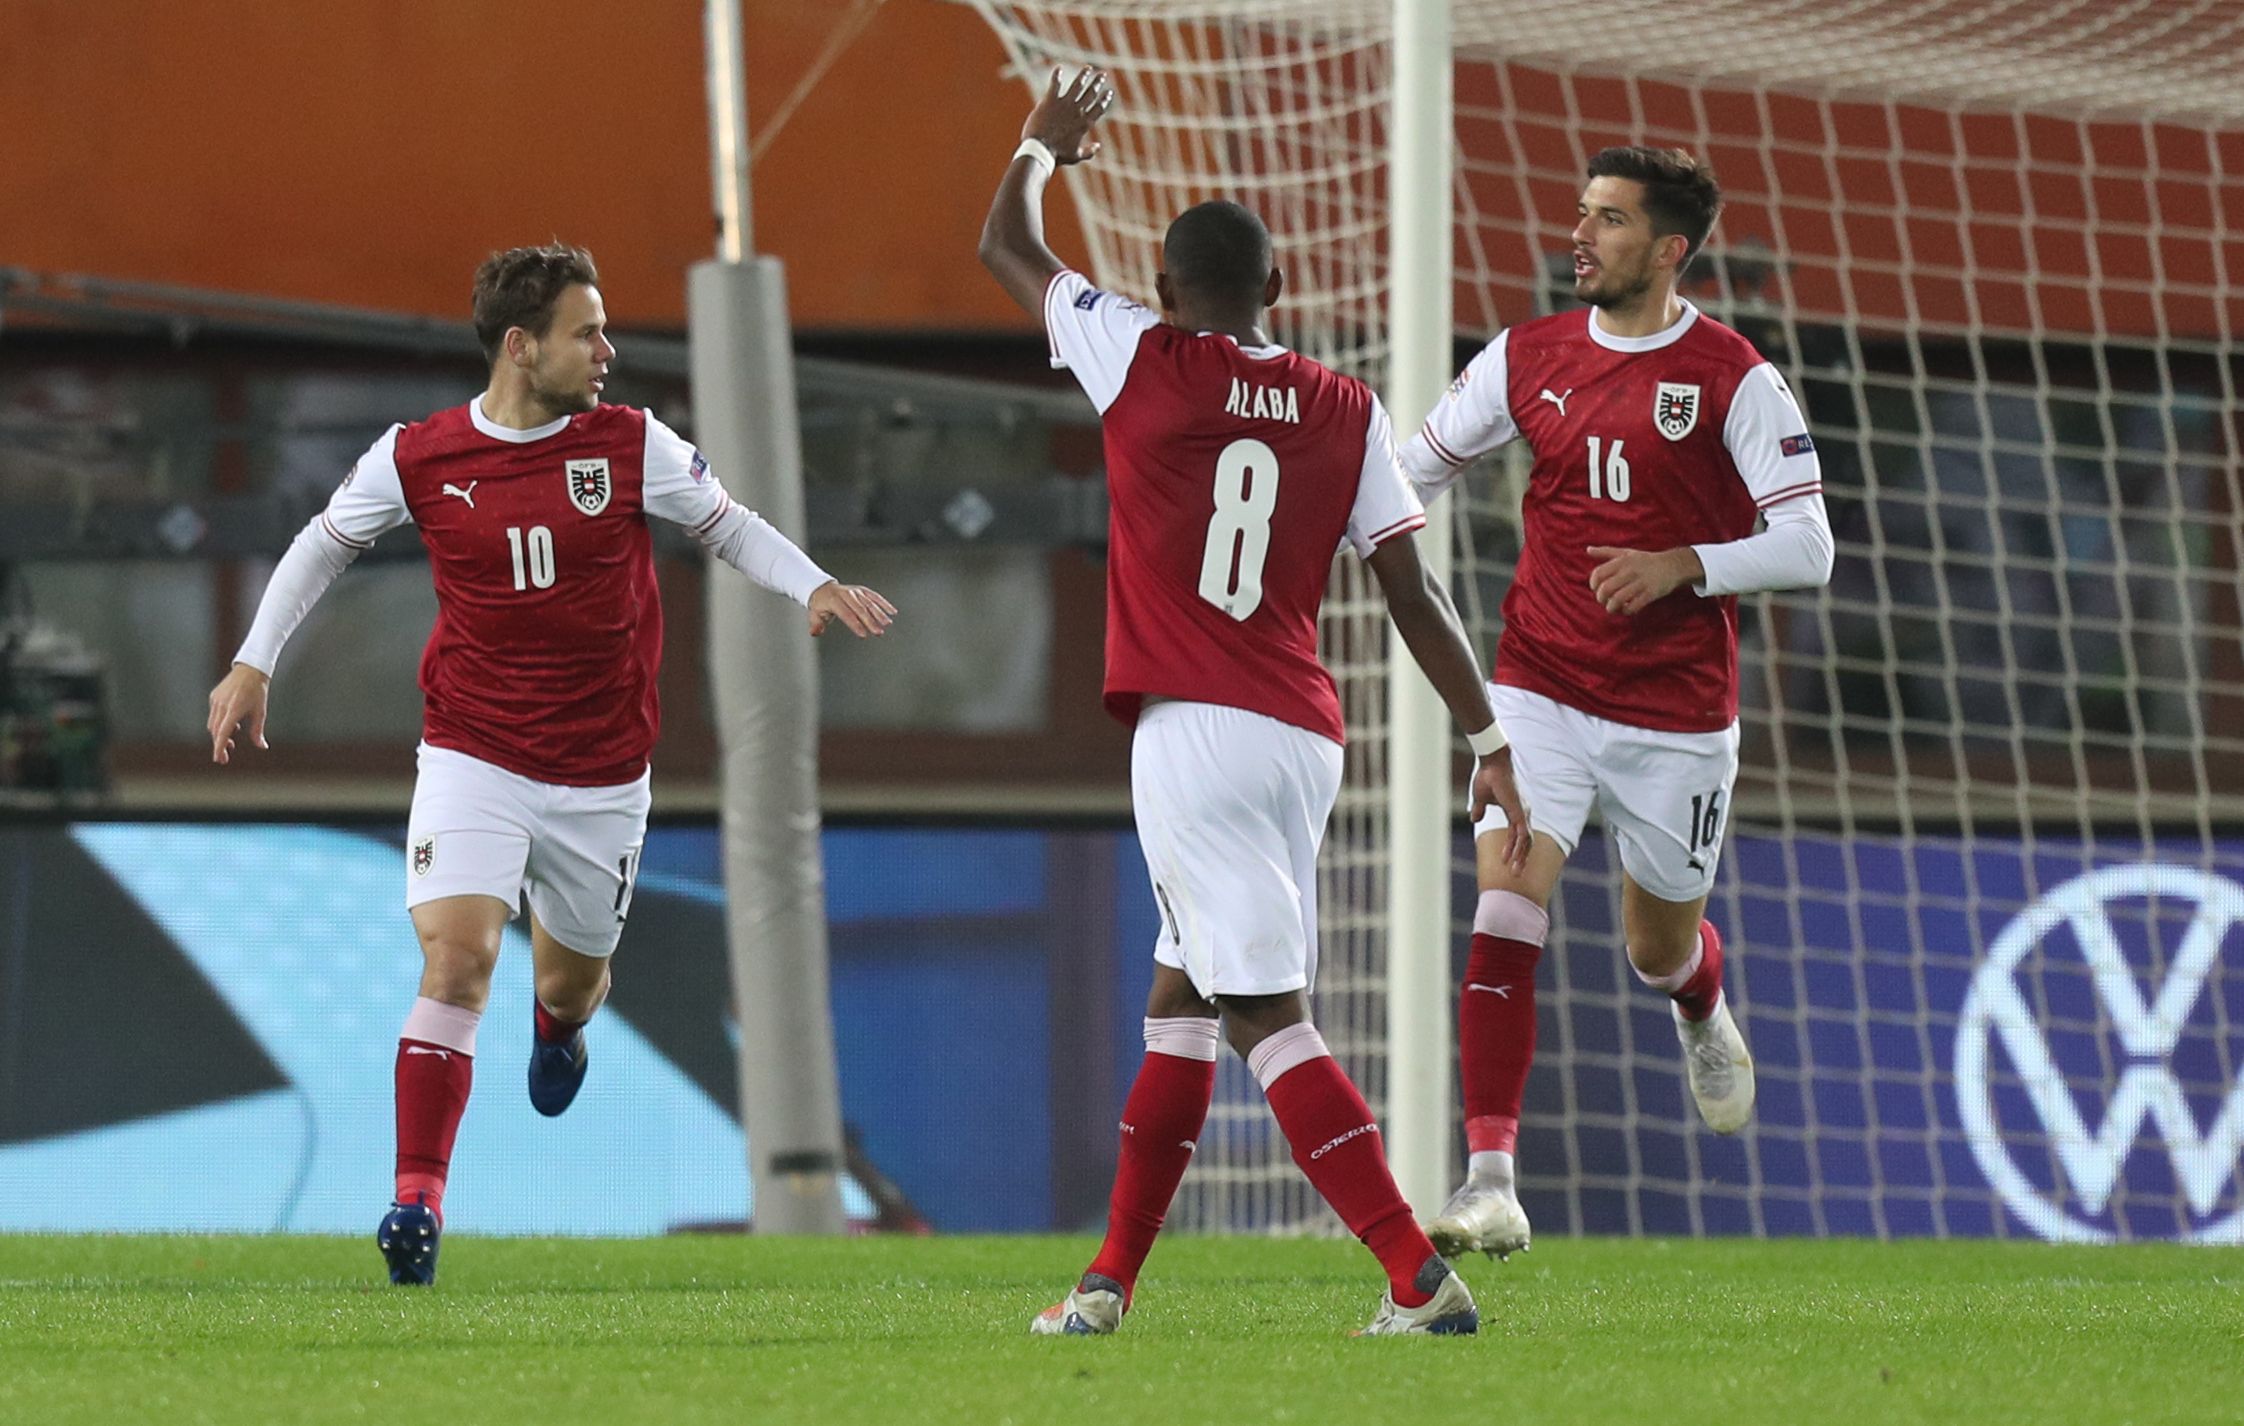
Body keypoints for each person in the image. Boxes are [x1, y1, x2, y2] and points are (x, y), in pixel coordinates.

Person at [206, 242, 896, 1285]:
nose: (609, 350)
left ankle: (559, 1026)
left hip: (601, 772)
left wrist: (810, 585)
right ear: (523, 348)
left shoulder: (630, 444)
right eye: (590, 331)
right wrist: (254, 660)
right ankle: (416, 1205)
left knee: (571, 984)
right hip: (472, 749)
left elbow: (730, 525)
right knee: (456, 960)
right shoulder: (420, 455)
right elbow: (319, 543)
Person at [980, 68, 1531, 1337]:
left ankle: (1417, 1276)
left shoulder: (1142, 352)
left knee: (1264, 1017)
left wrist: (1039, 148)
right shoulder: (1348, 407)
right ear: (1277, 292)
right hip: (1303, 733)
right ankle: (1107, 1286)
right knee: (1181, 1003)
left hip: (1194, 728)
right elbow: (1412, 592)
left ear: (1170, 291)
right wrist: (1489, 734)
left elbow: (1003, 245)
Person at [1399, 147, 1835, 1261]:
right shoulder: (1525, 355)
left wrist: (1684, 562)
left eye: (1610, 221)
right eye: (1582, 214)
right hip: (1538, 681)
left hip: (1675, 716)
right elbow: (1417, 470)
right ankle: (1490, 1179)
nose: (1581, 237)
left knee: (1656, 947)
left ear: (1670, 250)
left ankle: (1699, 1003)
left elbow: (1809, 546)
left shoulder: (1737, 377)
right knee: (1505, 898)